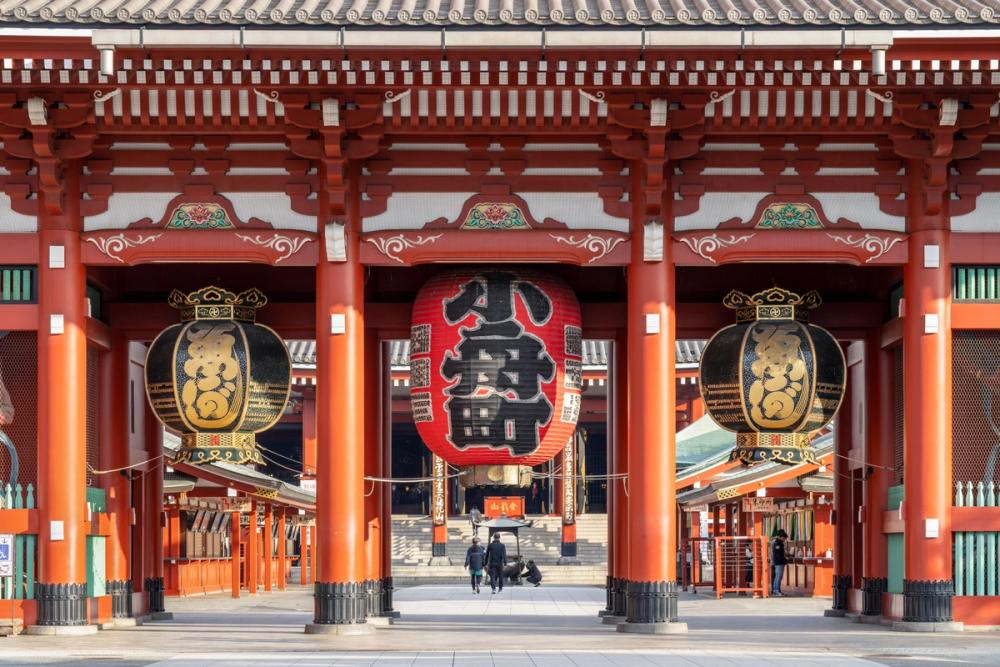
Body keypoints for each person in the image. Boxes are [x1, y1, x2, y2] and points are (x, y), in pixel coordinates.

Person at [771, 529, 789, 596]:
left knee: (778, 577)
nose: (784, 540)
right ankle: (776, 591)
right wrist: (785, 559)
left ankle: (776, 591)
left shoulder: (778, 542)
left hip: (778, 562)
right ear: (781, 537)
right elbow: (778, 554)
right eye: (784, 538)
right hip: (779, 562)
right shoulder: (777, 543)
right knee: (778, 577)